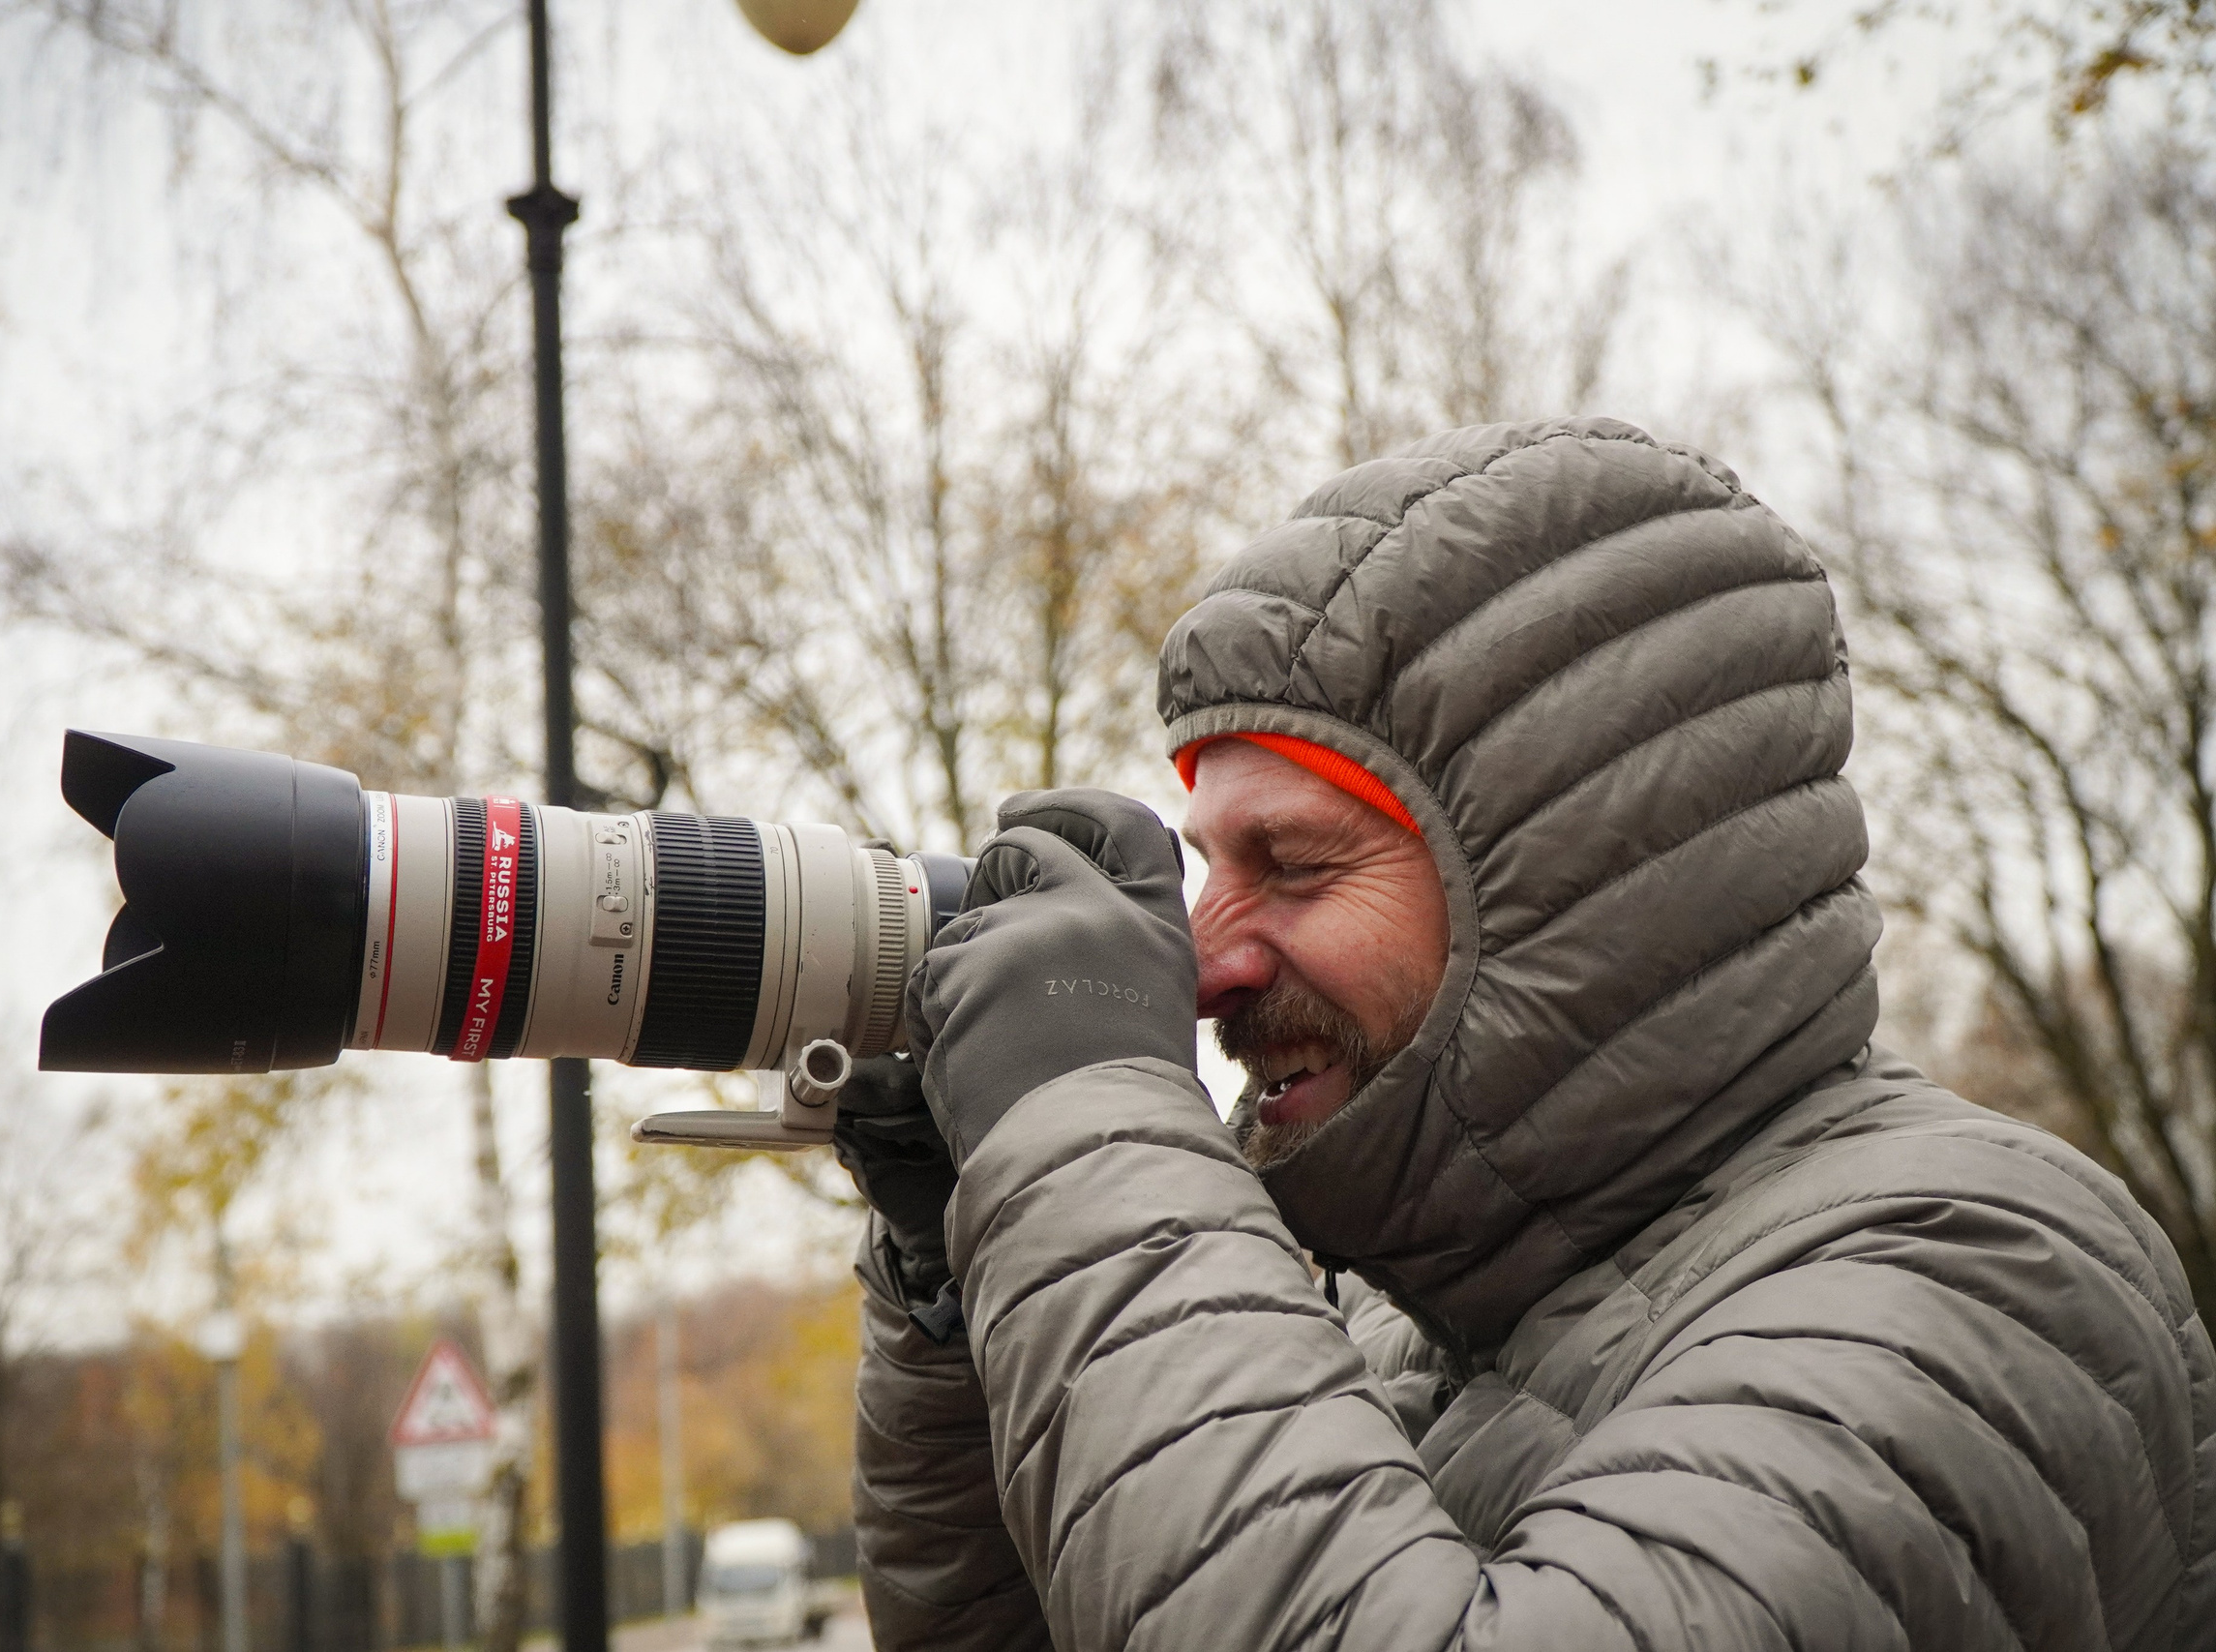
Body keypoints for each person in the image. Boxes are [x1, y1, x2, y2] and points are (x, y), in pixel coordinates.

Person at [831, 417, 2216, 1651]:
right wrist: (979, 1273)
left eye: (1297, 868)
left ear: (1591, 889)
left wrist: (1090, 1140)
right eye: (1207, 870)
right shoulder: (1402, 1330)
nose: (1208, 964)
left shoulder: (1984, 1274)